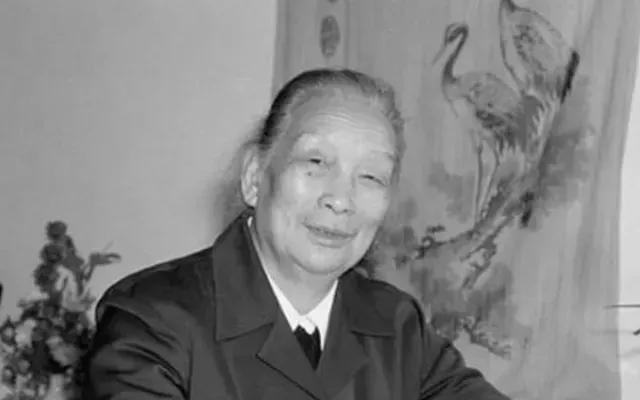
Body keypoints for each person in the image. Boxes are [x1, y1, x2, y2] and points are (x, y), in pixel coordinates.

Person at [83, 68, 510, 400]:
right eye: (316, 162)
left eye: (371, 177)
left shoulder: (397, 328)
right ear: (254, 176)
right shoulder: (154, 320)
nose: (340, 199)